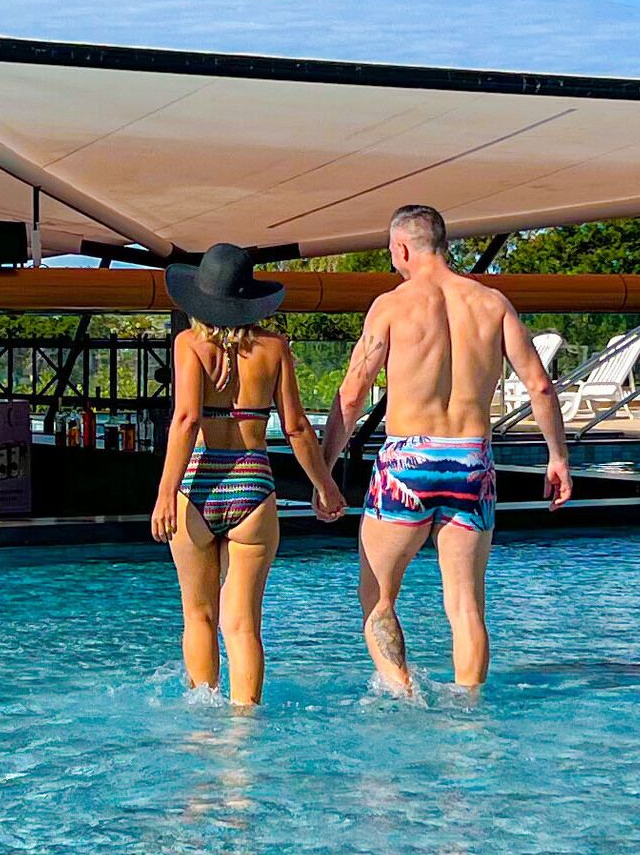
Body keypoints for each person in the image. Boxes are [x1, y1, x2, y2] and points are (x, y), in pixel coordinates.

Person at [324, 204, 569, 692]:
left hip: (407, 463)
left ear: (401, 248)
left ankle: (402, 693)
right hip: (471, 461)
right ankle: (468, 713)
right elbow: (540, 386)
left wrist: (324, 469)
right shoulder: (492, 303)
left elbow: (352, 395)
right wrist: (557, 457)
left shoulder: (391, 306)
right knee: (466, 605)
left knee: (377, 597)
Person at [147, 243, 349, 706]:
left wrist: (164, 494)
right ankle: (244, 730)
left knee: (199, 616)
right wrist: (325, 485)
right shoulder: (274, 348)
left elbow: (186, 420)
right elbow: (296, 427)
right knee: (242, 625)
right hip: (253, 484)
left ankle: (203, 725)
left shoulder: (189, 344)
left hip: (197, 483)